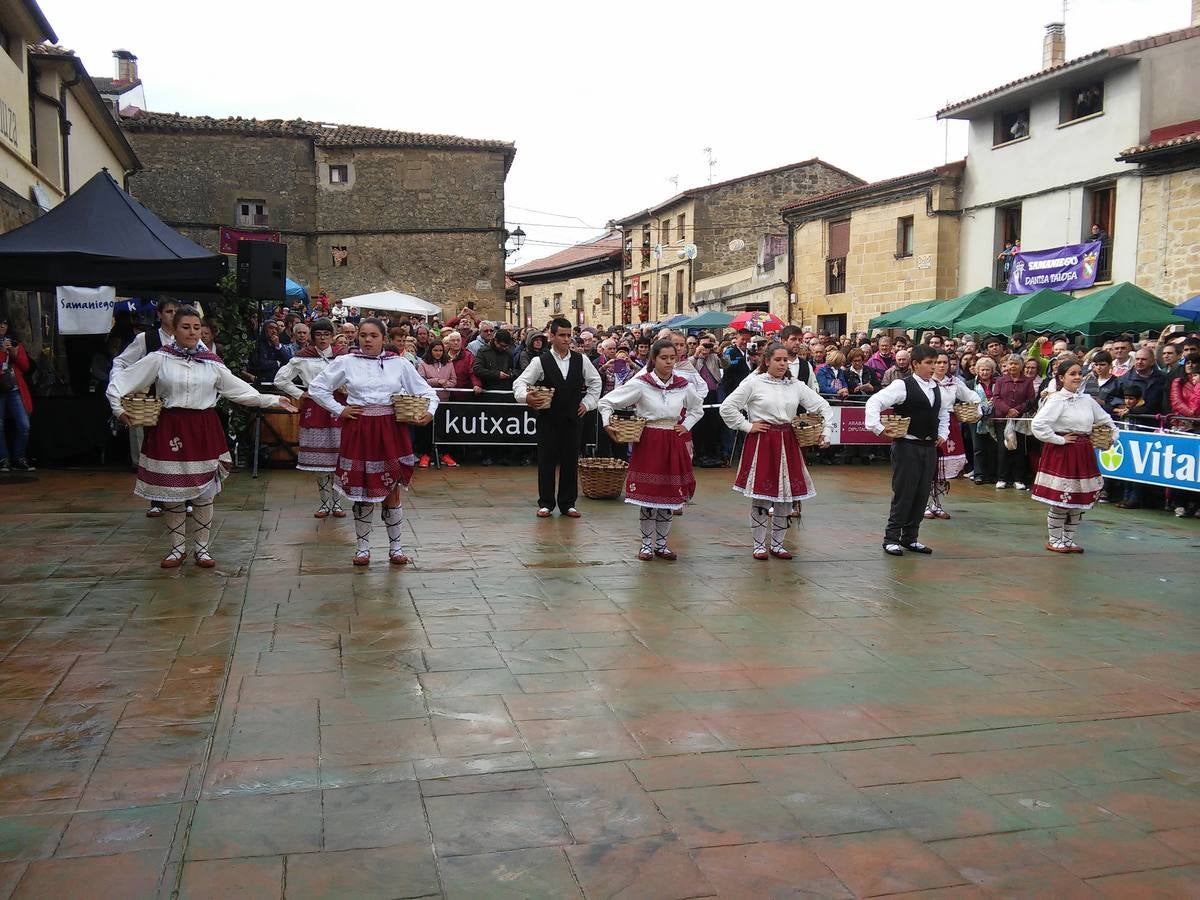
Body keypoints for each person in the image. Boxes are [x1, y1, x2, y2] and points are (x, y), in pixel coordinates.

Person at [107, 306, 296, 568]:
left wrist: (273, 400)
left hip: (203, 427)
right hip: (170, 427)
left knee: (205, 493)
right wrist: (117, 409)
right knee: (173, 492)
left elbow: (239, 390)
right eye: (186, 327)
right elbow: (122, 381)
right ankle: (177, 549)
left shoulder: (211, 362)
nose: (192, 332)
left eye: (196, 328)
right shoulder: (159, 359)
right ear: (174, 329)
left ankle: (202, 549)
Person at [308, 318, 438, 566]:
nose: (367, 340)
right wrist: (340, 409)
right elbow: (317, 388)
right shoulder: (346, 362)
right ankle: (362, 548)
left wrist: (429, 412)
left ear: (383, 338)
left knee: (392, 488)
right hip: (359, 428)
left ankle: (396, 548)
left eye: (373, 335)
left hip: (391, 429)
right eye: (363, 335)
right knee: (362, 491)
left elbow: (427, 392)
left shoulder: (399, 364)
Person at [719, 343, 834, 560]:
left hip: (788, 440)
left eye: (785, 360)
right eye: (778, 360)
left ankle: (778, 544)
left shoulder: (795, 385)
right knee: (762, 495)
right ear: (767, 361)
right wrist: (747, 426)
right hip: (763, 440)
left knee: (786, 497)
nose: (782, 364)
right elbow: (727, 407)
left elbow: (822, 406)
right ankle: (759, 545)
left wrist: (826, 432)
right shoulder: (754, 382)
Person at [599, 340, 703, 560]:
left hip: (673, 440)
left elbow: (697, 409)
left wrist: (686, 425)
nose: (669, 362)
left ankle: (662, 544)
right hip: (649, 441)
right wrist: (607, 423)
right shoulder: (642, 383)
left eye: (672, 358)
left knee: (668, 495)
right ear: (653, 359)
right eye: (664, 358)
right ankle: (646, 544)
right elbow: (607, 402)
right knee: (648, 496)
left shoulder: (683, 385)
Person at [513, 317, 602, 518]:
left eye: (569, 335)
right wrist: (526, 397)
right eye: (562, 335)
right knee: (546, 460)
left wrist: (588, 403)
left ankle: (568, 503)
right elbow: (519, 383)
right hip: (548, 419)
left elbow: (596, 382)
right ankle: (546, 503)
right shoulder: (540, 361)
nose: (566, 339)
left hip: (573, 419)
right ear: (551, 336)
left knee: (570, 461)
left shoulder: (581, 360)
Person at [865, 344, 949, 557]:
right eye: (929, 363)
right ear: (915, 364)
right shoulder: (902, 385)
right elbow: (875, 401)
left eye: (935, 363)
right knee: (904, 493)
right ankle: (891, 538)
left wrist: (943, 433)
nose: (933, 367)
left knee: (922, 493)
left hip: (929, 447)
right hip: (907, 446)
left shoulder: (937, 387)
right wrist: (879, 428)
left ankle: (910, 537)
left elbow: (943, 413)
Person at [1030, 360, 1115, 552]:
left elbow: (1106, 420)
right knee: (1061, 501)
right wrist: (1059, 439)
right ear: (1061, 378)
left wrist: (1112, 437)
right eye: (1072, 374)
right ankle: (1054, 540)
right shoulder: (1056, 400)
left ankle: (1068, 540)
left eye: (1079, 373)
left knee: (1078, 501)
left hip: (1083, 452)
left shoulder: (1087, 400)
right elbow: (1038, 424)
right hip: (1063, 452)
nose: (1077, 377)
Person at [274, 318, 345, 518]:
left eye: (326, 334)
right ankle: (324, 503)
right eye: (318, 335)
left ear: (332, 336)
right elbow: (280, 379)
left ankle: (337, 503)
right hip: (315, 408)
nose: (322, 338)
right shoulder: (303, 357)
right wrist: (300, 393)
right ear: (312, 337)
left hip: (338, 406)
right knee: (320, 462)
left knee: (340, 458)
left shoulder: (342, 356)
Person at [926, 351, 980, 519]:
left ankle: (937, 504)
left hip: (949, 425)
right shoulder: (926, 382)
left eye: (945, 362)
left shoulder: (954, 382)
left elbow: (972, 396)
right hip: (929, 424)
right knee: (929, 467)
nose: (942, 365)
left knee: (942, 469)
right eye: (938, 362)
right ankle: (924, 504)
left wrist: (977, 409)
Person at [992, 354, 1035, 490]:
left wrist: (1017, 410)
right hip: (1002, 419)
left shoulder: (1027, 381)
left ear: (1021, 366)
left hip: (1019, 420)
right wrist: (1007, 410)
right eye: (1011, 363)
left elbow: (1030, 400)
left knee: (1019, 449)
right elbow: (996, 398)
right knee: (1003, 448)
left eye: (1016, 364)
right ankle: (1002, 478)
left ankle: (1018, 479)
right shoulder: (1000, 380)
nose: (1013, 366)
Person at [416, 339, 457, 468]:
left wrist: (446, 384)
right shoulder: (423, 364)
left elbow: (453, 380)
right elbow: (420, 380)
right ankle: (425, 455)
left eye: (440, 350)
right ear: (431, 351)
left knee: (443, 428)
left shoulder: (449, 363)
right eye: (435, 350)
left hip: (444, 401)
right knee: (426, 430)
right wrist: (436, 381)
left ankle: (445, 454)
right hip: (428, 402)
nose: (438, 353)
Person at [0, 319, 34, 472]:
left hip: (14, 388)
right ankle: (3, 459)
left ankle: (18, 458)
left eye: (5, 324)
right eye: (0, 323)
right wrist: (2, 352)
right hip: (0, 389)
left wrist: (14, 354)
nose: (2, 326)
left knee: (24, 424)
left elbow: (26, 366)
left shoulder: (14, 343)